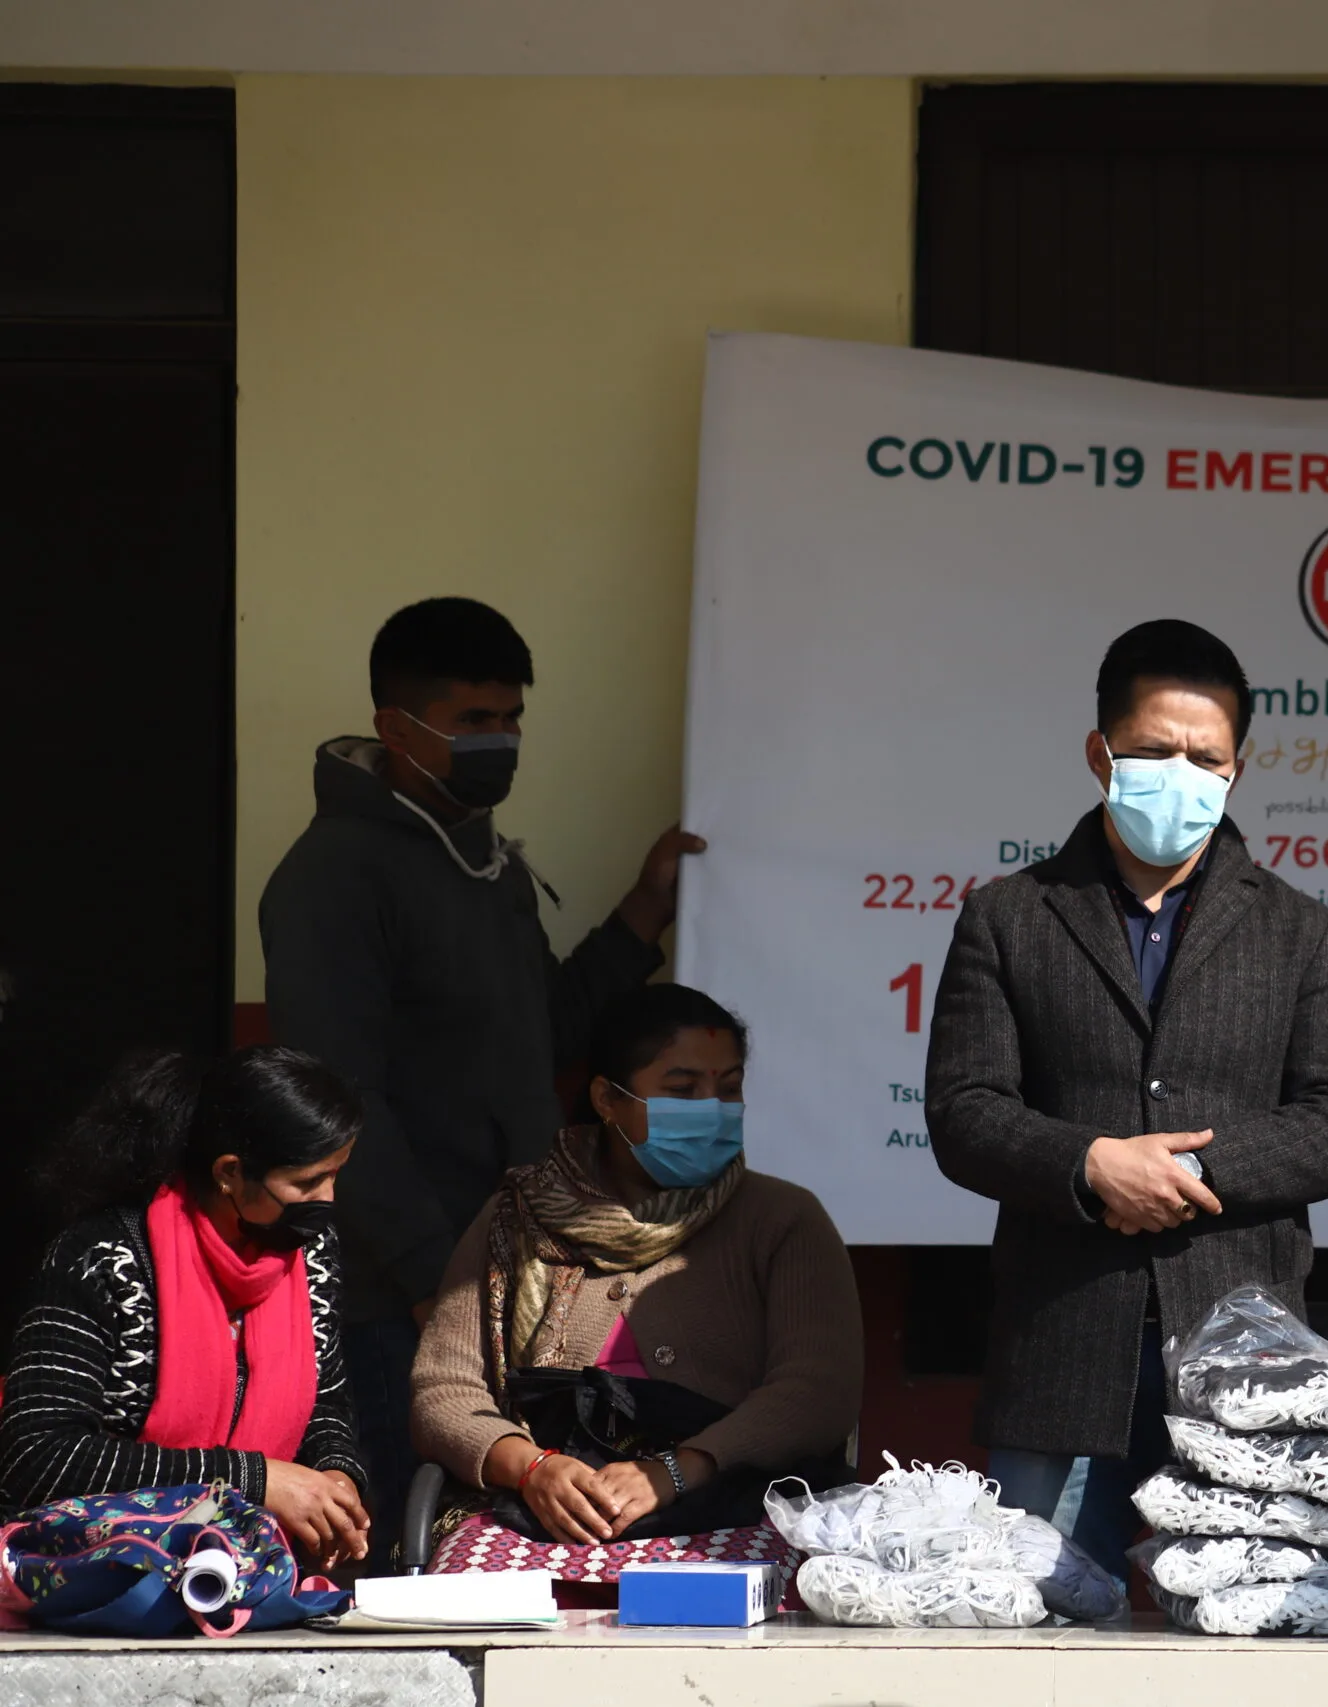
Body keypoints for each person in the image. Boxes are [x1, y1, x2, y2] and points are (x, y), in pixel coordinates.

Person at [926, 619, 1328, 1567]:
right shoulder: (1009, 916)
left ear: (1237, 769)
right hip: (1062, 1344)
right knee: (1035, 1613)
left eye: (1205, 758)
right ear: (1100, 754)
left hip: (1245, 1357)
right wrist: (1090, 1164)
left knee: (1246, 1616)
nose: (1182, 774)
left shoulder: (1299, 930)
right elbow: (965, 1110)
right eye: (1153, 751)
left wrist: (1190, 1172)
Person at [259, 597, 704, 1507]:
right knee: (409, 1544)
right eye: (473, 719)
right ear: (396, 727)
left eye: (512, 718)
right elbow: (338, 1106)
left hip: (512, 1280)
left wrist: (645, 907)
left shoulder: (484, 862)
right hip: (400, 1303)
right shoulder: (332, 877)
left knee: (496, 1541)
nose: (501, 741)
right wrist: (435, 1283)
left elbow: (548, 1030)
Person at [410, 983, 862, 1560]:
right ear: (607, 1099)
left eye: (729, 1089)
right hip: (543, 1513)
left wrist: (680, 1469)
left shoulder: (783, 1220)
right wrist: (531, 1468)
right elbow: (443, 1390)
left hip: (733, 1508)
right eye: (682, 1090)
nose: (711, 1110)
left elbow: (818, 1391)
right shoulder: (517, 1218)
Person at [0, 1048, 370, 1569]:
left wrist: (335, 1476)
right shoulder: (101, 1258)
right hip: (94, 1573)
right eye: (307, 1183)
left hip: (246, 1568)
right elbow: (40, 1455)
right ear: (230, 1173)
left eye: (335, 1174)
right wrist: (253, 1480)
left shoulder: (308, 1254)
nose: (327, 1200)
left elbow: (324, 1399)